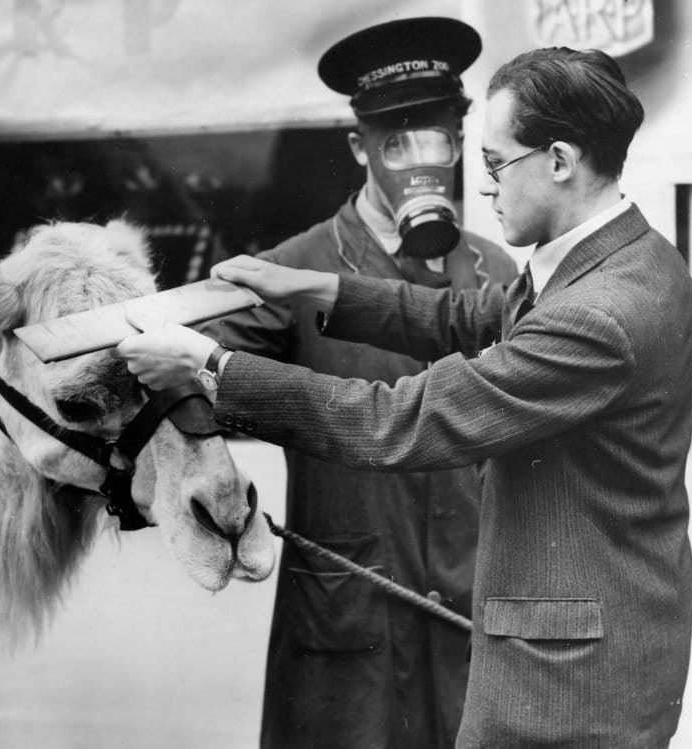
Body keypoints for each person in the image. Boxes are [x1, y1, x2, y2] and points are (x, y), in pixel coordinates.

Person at [116, 46, 692, 748]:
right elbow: (466, 316)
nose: (479, 188)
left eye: (492, 163)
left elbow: (398, 421)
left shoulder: (596, 312)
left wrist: (211, 364)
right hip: (596, 645)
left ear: (560, 160)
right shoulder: (626, 258)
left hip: (565, 686)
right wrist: (317, 287)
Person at [196, 17, 516, 749]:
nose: (417, 159)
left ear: (462, 140)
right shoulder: (295, 267)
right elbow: (185, 372)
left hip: (476, 642)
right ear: (358, 148)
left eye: (434, 136)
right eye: (393, 142)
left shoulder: (499, 276)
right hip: (347, 646)